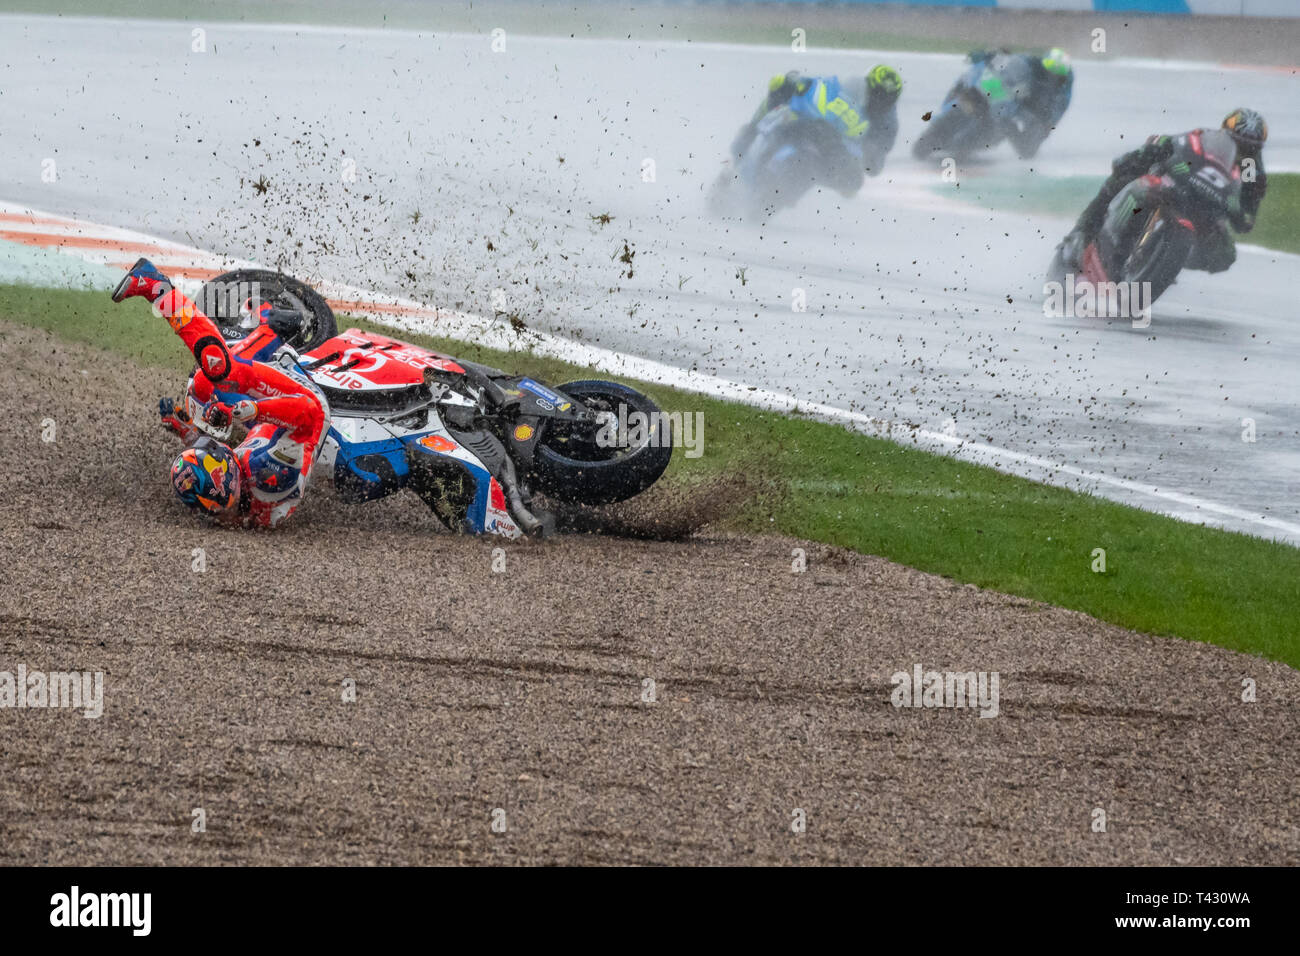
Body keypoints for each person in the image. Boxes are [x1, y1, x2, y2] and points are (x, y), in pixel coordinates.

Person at [111, 257, 330, 528]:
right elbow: (306, 414)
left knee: (204, 389)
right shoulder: (268, 472)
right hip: (305, 407)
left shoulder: (242, 505)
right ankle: (155, 286)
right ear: (228, 483)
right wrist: (257, 410)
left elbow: (212, 481)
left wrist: (186, 431)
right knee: (217, 373)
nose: (216, 514)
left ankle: (269, 329)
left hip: (271, 426)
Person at [1058, 107, 1268, 273]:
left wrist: (1236, 210)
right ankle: (1082, 231)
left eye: (1249, 147)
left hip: (1206, 212)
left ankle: (1162, 259)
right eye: (1237, 143)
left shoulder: (1254, 174)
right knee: (1124, 175)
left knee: (1225, 255)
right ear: (1224, 134)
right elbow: (1170, 141)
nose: (1242, 151)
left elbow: (1246, 220)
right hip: (1176, 185)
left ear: (1257, 148)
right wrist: (1146, 153)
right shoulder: (1204, 138)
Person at [729, 64, 903, 196]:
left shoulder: (888, 125)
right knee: (782, 86)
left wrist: (870, 153)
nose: (881, 101)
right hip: (819, 128)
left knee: (853, 182)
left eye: (887, 98)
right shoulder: (852, 88)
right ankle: (752, 132)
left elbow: (875, 166)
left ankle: (788, 183)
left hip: (840, 151)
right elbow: (827, 90)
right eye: (877, 94)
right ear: (868, 86)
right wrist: (799, 86)